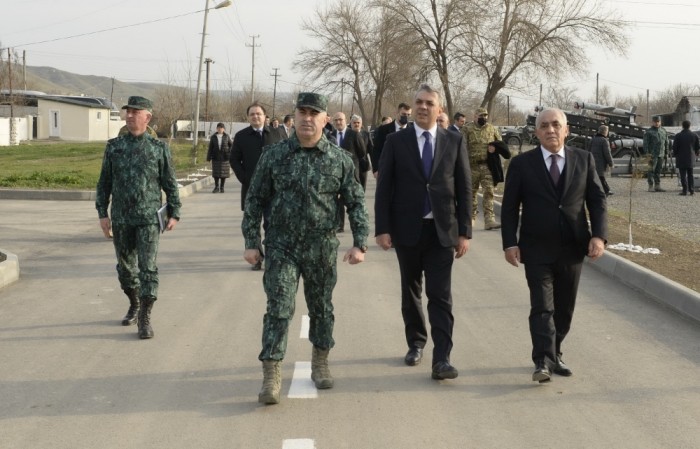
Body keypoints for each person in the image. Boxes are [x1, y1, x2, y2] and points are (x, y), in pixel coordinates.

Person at [242, 92, 369, 405]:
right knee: (279, 308)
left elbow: (355, 201)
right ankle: (271, 374)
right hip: (282, 245)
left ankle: (320, 361)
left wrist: (360, 242)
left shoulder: (339, 159)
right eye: (303, 112)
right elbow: (255, 199)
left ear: (325, 120)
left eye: (315, 113)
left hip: (321, 247)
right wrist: (251, 242)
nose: (308, 118)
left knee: (321, 308)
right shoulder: (274, 155)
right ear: (295, 116)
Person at [500, 108, 607, 383]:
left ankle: (555, 352)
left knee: (564, 308)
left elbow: (597, 200)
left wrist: (599, 236)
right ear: (536, 133)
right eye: (544, 126)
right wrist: (510, 243)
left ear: (566, 129)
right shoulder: (522, 164)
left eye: (556, 125)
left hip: (572, 248)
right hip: (536, 249)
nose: (550, 130)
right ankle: (542, 361)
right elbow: (510, 208)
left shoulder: (584, 160)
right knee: (542, 307)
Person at [375, 84, 472, 381]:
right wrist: (383, 229)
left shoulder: (454, 141)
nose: (423, 107)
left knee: (441, 296)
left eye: (429, 103)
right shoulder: (396, 141)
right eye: (418, 102)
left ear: (439, 109)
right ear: (412, 108)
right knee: (411, 291)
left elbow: (464, 188)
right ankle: (416, 342)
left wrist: (464, 232)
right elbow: (385, 188)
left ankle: (442, 358)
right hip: (407, 230)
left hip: (442, 231)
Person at [96, 96, 181, 340]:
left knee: (148, 269)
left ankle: (144, 317)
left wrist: (174, 211)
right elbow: (104, 183)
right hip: (122, 219)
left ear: (148, 117)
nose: (130, 115)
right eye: (128, 112)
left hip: (148, 219)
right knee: (125, 269)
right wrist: (102, 213)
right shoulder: (114, 147)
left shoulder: (159, 149)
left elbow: (170, 183)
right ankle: (133, 302)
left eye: (136, 111)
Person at [230, 102, 282, 270]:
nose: (255, 116)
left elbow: (287, 158)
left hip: (273, 191)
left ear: (264, 116)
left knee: (271, 224)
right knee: (252, 225)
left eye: (258, 114)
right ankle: (257, 258)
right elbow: (234, 159)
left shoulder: (277, 134)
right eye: (252, 114)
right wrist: (244, 178)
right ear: (248, 117)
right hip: (250, 189)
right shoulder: (241, 136)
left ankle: (271, 257)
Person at [461, 107, 503, 230]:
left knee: (489, 192)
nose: (483, 118)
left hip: (487, 166)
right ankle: (471, 217)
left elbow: (500, 143)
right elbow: (461, 146)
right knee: (471, 193)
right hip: (471, 166)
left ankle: (489, 219)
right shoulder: (467, 129)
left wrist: (495, 148)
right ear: (475, 116)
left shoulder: (492, 128)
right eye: (481, 116)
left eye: (485, 116)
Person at [330, 112, 368, 230]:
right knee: (337, 201)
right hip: (335, 174)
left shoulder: (354, 134)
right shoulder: (330, 135)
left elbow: (362, 152)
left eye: (340, 120)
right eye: (335, 120)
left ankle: (358, 226)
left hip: (351, 173)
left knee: (353, 201)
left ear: (345, 120)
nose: (338, 122)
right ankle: (340, 225)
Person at [371, 102, 412, 178]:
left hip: (407, 173)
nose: (406, 117)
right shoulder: (383, 130)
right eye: (403, 114)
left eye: (409, 115)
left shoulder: (413, 131)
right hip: (386, 171)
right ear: (397, 113)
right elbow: (376, 150)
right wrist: (376, 169)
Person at [672, 120, 699, 196]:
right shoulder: (695, 135)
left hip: (681, 158)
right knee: (690, 174)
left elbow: (675, 147)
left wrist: (676, 154)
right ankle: (692, 190)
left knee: (683, 175)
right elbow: (697, 147)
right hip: (690, 158)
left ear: (682, 126)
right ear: (689, 126)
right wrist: (696, 153)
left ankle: (684, 190)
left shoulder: (678, 136)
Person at [644, 116, 669, 192]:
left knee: (658, 170)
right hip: (652, 154)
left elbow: (666, 143)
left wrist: (666, 153)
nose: (657, 123)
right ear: (652, 122)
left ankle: (657, 185)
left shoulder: (663, 131)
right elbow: (645, 144)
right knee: (651, 170)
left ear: (660, 122)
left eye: (658, 122)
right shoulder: (648, 132)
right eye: (655, 122)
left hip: (661, 154)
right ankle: (650, 186)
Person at [588, 125, 614, 197]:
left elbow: (588, 150)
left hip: (592, 161)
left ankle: (600, 190)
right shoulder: (604, 141)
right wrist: (611, 163)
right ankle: (606, 190)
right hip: (600, 163)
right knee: (601, 177)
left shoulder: (592, 139)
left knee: (596, 177)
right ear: (605, 132)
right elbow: (607, 153)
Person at [206, 122, 232, 193]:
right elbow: (210, 148)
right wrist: (209, 157)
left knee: (224, 173)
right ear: (217, 129)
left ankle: (222, 187)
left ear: (223, 129)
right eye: (218, 128)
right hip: (216, 157)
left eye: (221, 128)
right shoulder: (213, 137)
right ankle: (216, 187)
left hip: (225, 157)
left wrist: (228, 152)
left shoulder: (226, 136)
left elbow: (231, 145)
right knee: (216, 173)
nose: (220, 129)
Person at [350, 114, 373, 189]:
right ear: (351, 123)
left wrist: (376, 166)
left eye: (358, 123)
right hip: (350, 166)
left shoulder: (366, 134)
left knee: (362, 187)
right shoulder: (347, 134)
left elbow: (371, 150)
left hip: (363, 166)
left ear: (361, 124)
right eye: (354, 122)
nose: (356, 124)